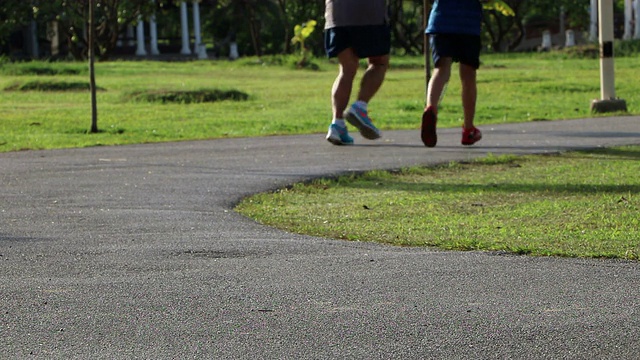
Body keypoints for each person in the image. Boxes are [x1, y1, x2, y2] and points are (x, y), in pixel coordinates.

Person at [324, 0, 390, 145]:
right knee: (378, 62)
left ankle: (337, 124)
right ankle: (360, 107)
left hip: (337, 15)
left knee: (346, 69)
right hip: (368, 14)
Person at [422, 0, 484, 147]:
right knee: (468, 77)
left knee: (441, 69)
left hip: (441, 21)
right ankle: (468, 129)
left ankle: (430, 107)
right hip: (468, 25)